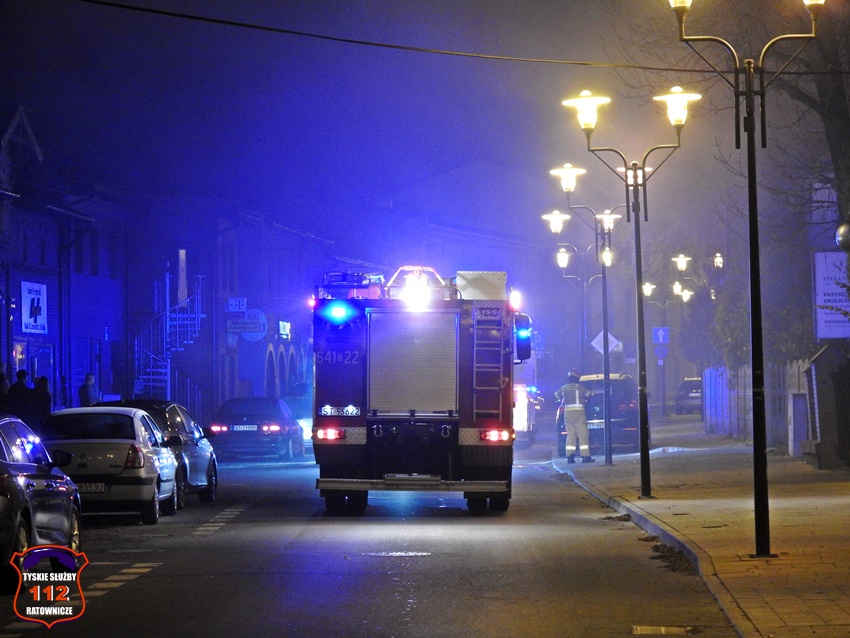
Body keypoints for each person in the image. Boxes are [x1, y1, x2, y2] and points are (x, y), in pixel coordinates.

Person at [555, 371, 594, 464]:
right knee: (582, 435)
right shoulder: (580, 387)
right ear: (577, 379)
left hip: (568, 414)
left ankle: (570, 457)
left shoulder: (564, 387)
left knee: (570, 435)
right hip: (579, 413)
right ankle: (585, 456)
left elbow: (556, 395)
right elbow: (589, 394)